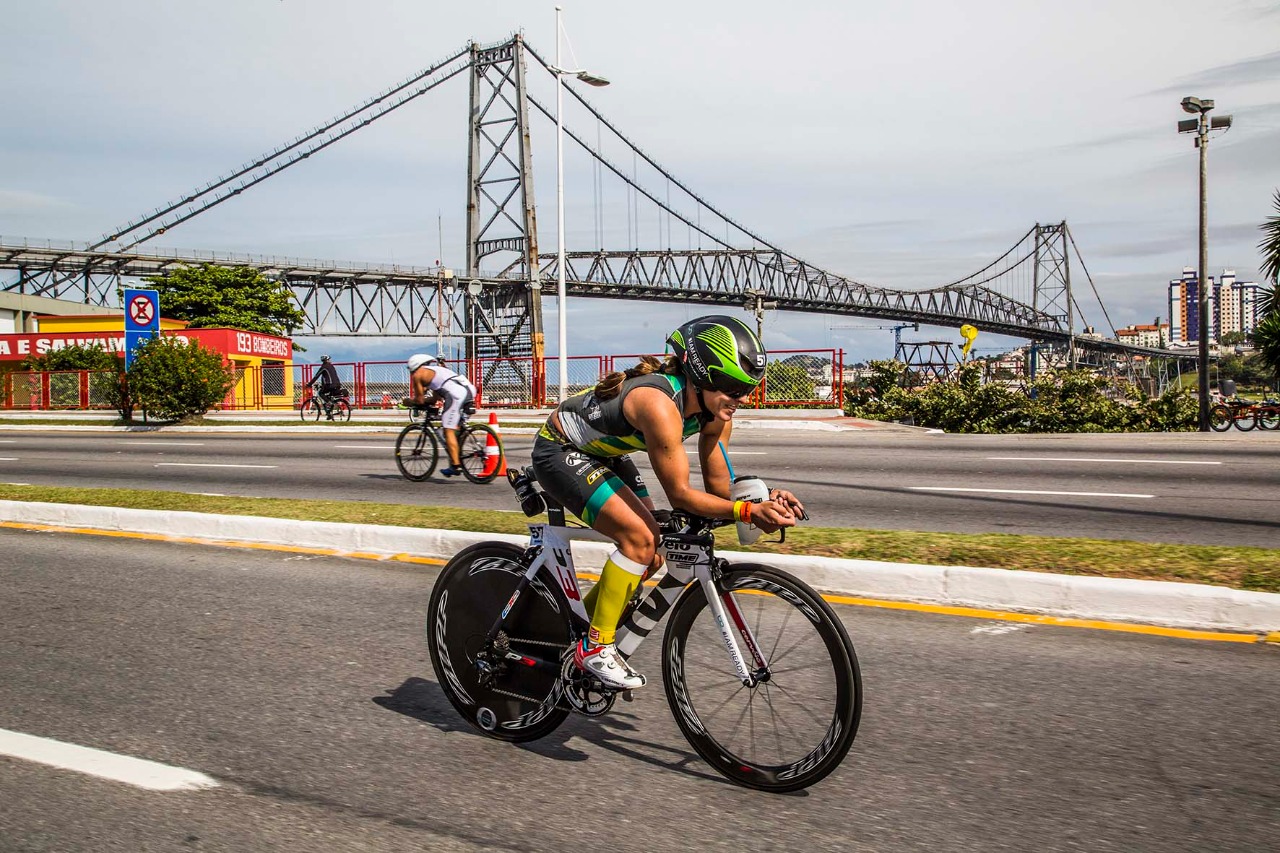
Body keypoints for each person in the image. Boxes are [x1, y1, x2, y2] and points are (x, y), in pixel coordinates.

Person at [531, 315, 805, 690]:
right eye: (734, 389)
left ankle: (575, 631)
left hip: (607, 453)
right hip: (559, 450)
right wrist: (747, 512)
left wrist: (762, 500)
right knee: (639, 540)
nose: (742, 399)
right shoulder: (659, 404)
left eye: (748, 389)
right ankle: (595, 648)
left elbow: (716, 489)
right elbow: (680, 495)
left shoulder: (716, 413)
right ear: (703, 377)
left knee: (654, 550)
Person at [405, 354, 478, 477]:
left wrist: (408, 401)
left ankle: (455, 466)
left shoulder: (418, 375)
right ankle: (458, 457)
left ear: (413, 367)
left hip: (455, 395)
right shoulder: (436, 371)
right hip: (469, 390)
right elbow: (435, 399)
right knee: (456, 430)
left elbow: (420, 400)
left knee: (448, 430)